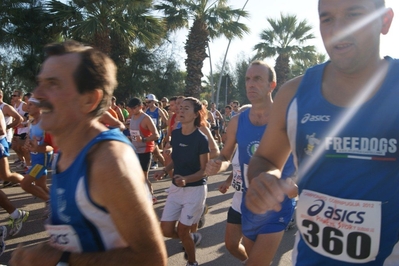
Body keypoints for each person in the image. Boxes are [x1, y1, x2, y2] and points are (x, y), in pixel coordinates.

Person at [245, 1, 398, 265]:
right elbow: (266, 160)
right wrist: (264, 180)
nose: (338, 29)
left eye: (354, 15)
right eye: (327, 19)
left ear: (384, 22)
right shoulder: (292, 94)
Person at [10, 40, 167, 265]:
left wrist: (59, 257)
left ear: (89, 99)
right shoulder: (67, 150)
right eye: (40, 83)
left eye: (53, 84)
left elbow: (151, 259)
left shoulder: (108, 160)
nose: (37, 95)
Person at [205, 61, 295, 265]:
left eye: (257, 79)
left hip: (278, 201)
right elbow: (226, 155)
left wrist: (296, 184)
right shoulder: (237, 121)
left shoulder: (288, 118)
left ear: (272, 85)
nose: (250, 84)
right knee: (256, 259)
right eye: (247, 79)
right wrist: (218, 164)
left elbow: (306, 157)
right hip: (249, 200)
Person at [154, 97, 210, 266]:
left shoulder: (201, 139)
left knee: (183, 230)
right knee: (166, 230)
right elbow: (176, 159)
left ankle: (192, 262)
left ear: (195, 114)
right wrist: (164, 170)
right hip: (177, 189)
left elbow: (204, 170)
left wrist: (186, 179)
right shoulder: (176, 134)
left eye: (186, 108)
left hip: (195, 189)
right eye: (180, 108)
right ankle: (191, 237)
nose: (181, 111)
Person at [0, 108, 29, 238]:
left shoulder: (4, 107)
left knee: (6, 175)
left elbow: (1, 129)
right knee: (5, 176)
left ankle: (31, 184)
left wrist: (9, 126)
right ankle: (16, 214)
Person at [20, 97, 54, 204]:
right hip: (35, 158)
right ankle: (59, 205)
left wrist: (37, 148)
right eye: (27, 104)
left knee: (25, 184)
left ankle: (52, 205)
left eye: (31, 104)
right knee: (41, 185)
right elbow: (30, 139)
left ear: (39, 107)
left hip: (42, 159)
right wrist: (27, 144)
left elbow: (53, 145)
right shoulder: (31, 121)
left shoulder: (46, 122)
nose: (27, 107)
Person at [126, 97, 160, 204]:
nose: (131, 110)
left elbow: (156, 135)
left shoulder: (146, 118)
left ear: (140, 107)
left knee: (143, 176)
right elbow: (136, 134)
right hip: (135, 150)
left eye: (133, 108)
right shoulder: (132, 118)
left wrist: (144, 139)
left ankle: (151, 196)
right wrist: (131, 138)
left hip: (145, 150)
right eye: (130, 108)